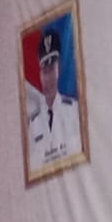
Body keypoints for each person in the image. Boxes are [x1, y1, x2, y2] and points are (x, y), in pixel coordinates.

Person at [26, 29, 82, 171]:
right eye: (44, 71)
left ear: (59, 69)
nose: (48, 78)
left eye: (51, 70)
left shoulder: (74, 111)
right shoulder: (33, 124)